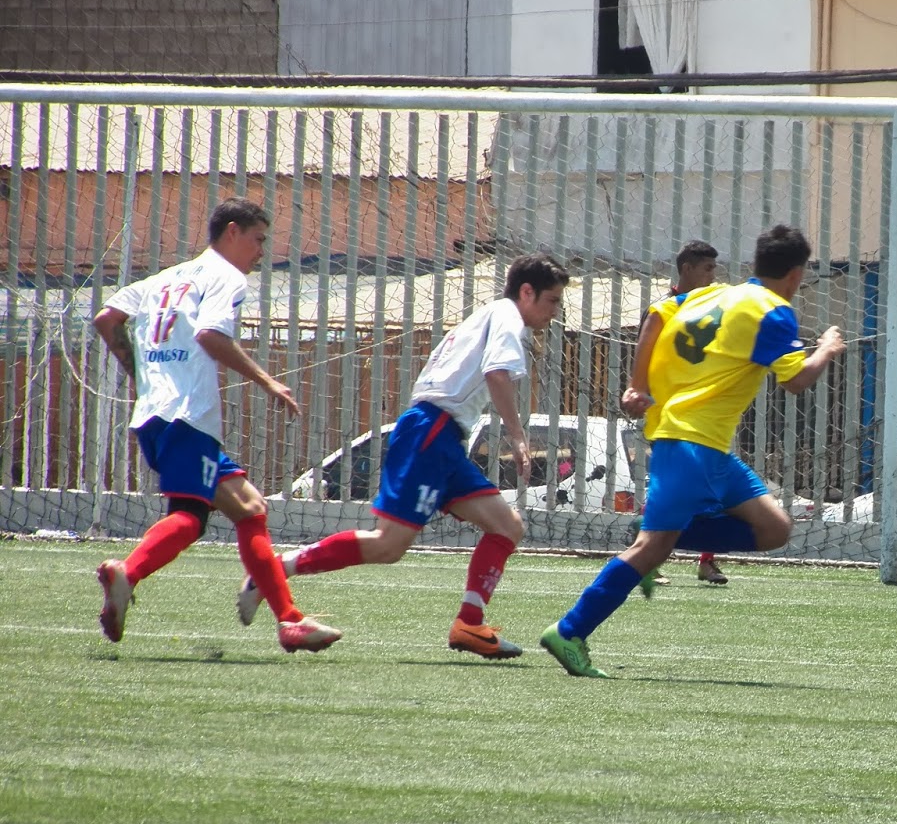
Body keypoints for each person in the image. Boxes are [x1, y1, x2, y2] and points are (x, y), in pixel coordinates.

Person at [542, 224, 845, 677]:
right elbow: (797, 380)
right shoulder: (774, 311)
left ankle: (659, 538)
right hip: (690, 443)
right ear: (796, 274)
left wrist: (637, 384)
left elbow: (656, 315)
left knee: (774, 528)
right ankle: (569, 631)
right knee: (650, 547)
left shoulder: (711, 293)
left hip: (709, 448)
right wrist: (826, 349)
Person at [236, 254, 569, 659]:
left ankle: (469, 623)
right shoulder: (508, 317)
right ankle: (270, 572)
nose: (556, 311)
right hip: (431, 432)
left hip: (442, 435)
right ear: (526, 292)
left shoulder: (489, 316)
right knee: (388, 546)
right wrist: (517, 436)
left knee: (506, 526)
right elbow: (496, 373)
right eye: (552, 301)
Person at [91, 197, 342, 653]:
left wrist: (140, 375)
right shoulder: (225, 276)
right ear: (232, 232)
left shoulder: (164, 278)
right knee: (190, 516)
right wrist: (268, 381)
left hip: (153, 414)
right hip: (189, 414)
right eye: (258, 240)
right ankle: (127, 572)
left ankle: (290, 621)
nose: (261, 252)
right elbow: (210, 335)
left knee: (249, 507)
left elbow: (107, 319)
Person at [621, 239, 730, 586]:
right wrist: (640, 392)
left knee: (708, 485)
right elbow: (645, 359)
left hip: (705, 412)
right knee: (679, 488)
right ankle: (647, 557)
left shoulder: (714, 308)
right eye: (707, 269)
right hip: (670, 416)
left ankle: (703, 561)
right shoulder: (661, 310)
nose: (713, 276)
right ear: (687, 269)